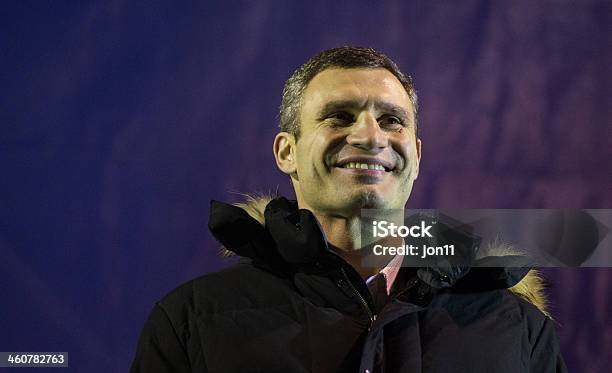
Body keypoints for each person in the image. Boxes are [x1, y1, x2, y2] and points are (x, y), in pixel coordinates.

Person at [130, 47, 567, 372]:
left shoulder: (518, 328)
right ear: (287, 152)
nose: (371, 136)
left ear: (416, 155)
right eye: (338, 116)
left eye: (392, 120)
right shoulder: (191, 322)